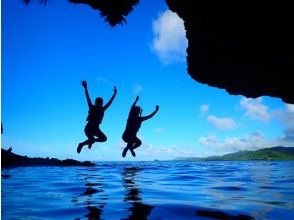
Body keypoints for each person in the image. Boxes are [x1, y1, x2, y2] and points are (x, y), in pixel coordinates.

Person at [77, 80, 117, 153]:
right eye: (98, 103)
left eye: (101, 103)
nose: (100, 104)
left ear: (102, 103)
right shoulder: (91, 107)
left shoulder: (103, 109)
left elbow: (110, 102)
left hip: (96, 129)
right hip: (88, 129)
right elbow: (87, 97)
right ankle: (82, 144)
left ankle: (90, 141)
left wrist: (114, 94)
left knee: (104, 138)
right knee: (92, 139)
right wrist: (85, 87)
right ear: (95, 103)